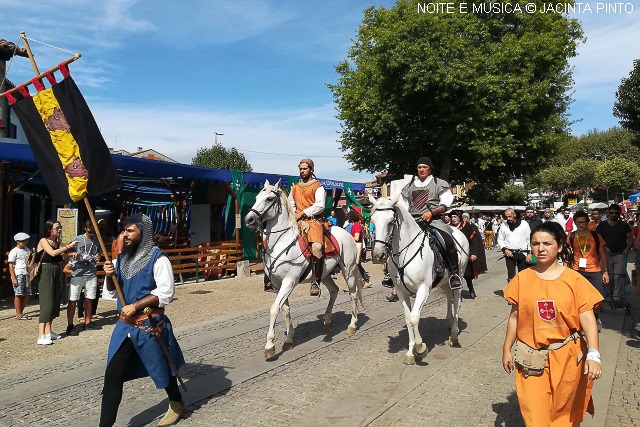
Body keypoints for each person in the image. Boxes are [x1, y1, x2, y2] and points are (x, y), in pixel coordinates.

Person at [502, 221, 602, 426]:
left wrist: (594, 354)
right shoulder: (522, 279)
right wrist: (506, 349)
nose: (540, 248)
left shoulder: (574, 280)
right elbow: (514, 317)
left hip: (567, 356)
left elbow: (588, 318)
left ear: (560, 246)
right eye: (535, 243)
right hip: (531, 358)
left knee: (563, 414)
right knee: (534, 413)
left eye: (547, 243)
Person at [101, 213, 185, 427]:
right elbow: (112, 291)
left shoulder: (159, 258)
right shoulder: (121, 259)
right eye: (123, 230)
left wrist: (135, 306)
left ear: (143, 233)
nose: (125, 235)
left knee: (162, 368)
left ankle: (176, 402)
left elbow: (166, 292)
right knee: (112, 375)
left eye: (130, 230)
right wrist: (109, 276)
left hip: (149, 326)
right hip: (124, 328)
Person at [399, 156, 462, 288]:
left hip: (434, 220)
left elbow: (446, 202)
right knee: (394, 241)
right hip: (413, 221)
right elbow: (403, 205)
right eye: (419, 167)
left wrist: (432, 212)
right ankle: (392, 274)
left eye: (424, 167)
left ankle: (454, 274)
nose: (421, 169)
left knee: (448, 241)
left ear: (430, 169)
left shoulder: (439, 183)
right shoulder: (408, 186)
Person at [289, 158, 328, 296]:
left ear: (311, 169)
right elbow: (291, 204)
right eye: (300, 169)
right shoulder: (294, 188)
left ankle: (316, 281)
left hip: (313, 221)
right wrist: (294, 214)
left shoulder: (318, 186)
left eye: (304, 169)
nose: (302, 171)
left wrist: (303, 213)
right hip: (296, 220)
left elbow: (320, 205)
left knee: (317, 247)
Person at [36, 220, 78, 345]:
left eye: (60, 227)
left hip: (56, 270)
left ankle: (48, 332)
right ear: (50, 229)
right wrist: (69, 246)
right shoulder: (43, 241)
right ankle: (40, 335)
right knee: (47, 302)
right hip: (46, 271)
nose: (59, 230)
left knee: (54, 301)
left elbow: (59, 257)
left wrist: (71, 255)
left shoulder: (56, 242)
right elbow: (52, 253)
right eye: (57, 228)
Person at [567, 211, 609, 331]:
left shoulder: (595, 236)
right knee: (578, 299)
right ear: (575, 223)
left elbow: (603, 254)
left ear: (587, 222)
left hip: (595, 270)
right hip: (577, 271)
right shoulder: (571, 236)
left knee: (598, 299)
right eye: (579, 223)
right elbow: (567, 254)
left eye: (584, 222)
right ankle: (582, 322)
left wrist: (605, 271)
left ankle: (595, 317)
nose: (581, 225)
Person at [66, 220, 101, 335]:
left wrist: (97, 257)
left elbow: (98, 254)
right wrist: (74, 255)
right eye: (90, 232)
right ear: (85, 228)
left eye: (94, 232)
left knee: (90, 298)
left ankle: (88, 321)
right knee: (73, 299)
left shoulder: (97, 240)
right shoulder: (78, 239)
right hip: (78, 273)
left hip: (91, 272)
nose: (92, 234)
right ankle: (70, 325)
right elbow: (67, 253)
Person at [596, 204, 633, 307]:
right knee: (610, 277)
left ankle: (617, 297)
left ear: (619, 214)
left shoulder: (624, 225)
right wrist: (604, 247)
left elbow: (630, 239)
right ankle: (611, 293)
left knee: (618, 276)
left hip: (620, 254)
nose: (613, 215)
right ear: (608, 213)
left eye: (616, 213)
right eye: (611, 213)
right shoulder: (602, 225)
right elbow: (596, 238)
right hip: (606, 256)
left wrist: (627, 249)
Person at [451, 212, 487, 299]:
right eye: (452, 217)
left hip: (465, 253)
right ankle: (454, 294)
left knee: (467, 274)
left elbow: (473, 241)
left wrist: (474, 253)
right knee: (453, 274)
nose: (453, 219)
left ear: (460, 217)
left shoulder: (467, 227)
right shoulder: (450, 228)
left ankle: (471, 289)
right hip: (453, 254)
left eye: (455, 217)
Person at [496, 208, 531, 282]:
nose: (508, 219)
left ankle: (522, 292)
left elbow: (529, 239)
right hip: (509, 253)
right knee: (511, 276)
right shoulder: (504, 225)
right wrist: (505, 249)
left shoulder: (524, 224)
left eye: (510, 216)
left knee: (522, 275)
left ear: (514, 215)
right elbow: (500, 239)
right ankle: (511, 292)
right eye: (506, 217)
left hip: (522, 253)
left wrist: (529, 253)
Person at [8, 232, 32, 320]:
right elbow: (10, 265)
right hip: (19, 273)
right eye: (23, 241)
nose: (25, 242)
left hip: (27, 273)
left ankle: (20, 311)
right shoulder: (14, 251)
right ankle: (18, 314)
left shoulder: (27, 250)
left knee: (28, 293)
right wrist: (13, 277)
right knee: (18, 294)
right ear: (18, 241)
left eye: (26, 240)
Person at [346, 210, 371, 289]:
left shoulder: (357, 226)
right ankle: (363, 281)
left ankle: (364, 281)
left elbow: (356, 238)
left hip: (356, 247)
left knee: (356, 266)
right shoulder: (355, 225)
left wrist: (348, 238)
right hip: (354, 247)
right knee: (357, 265)